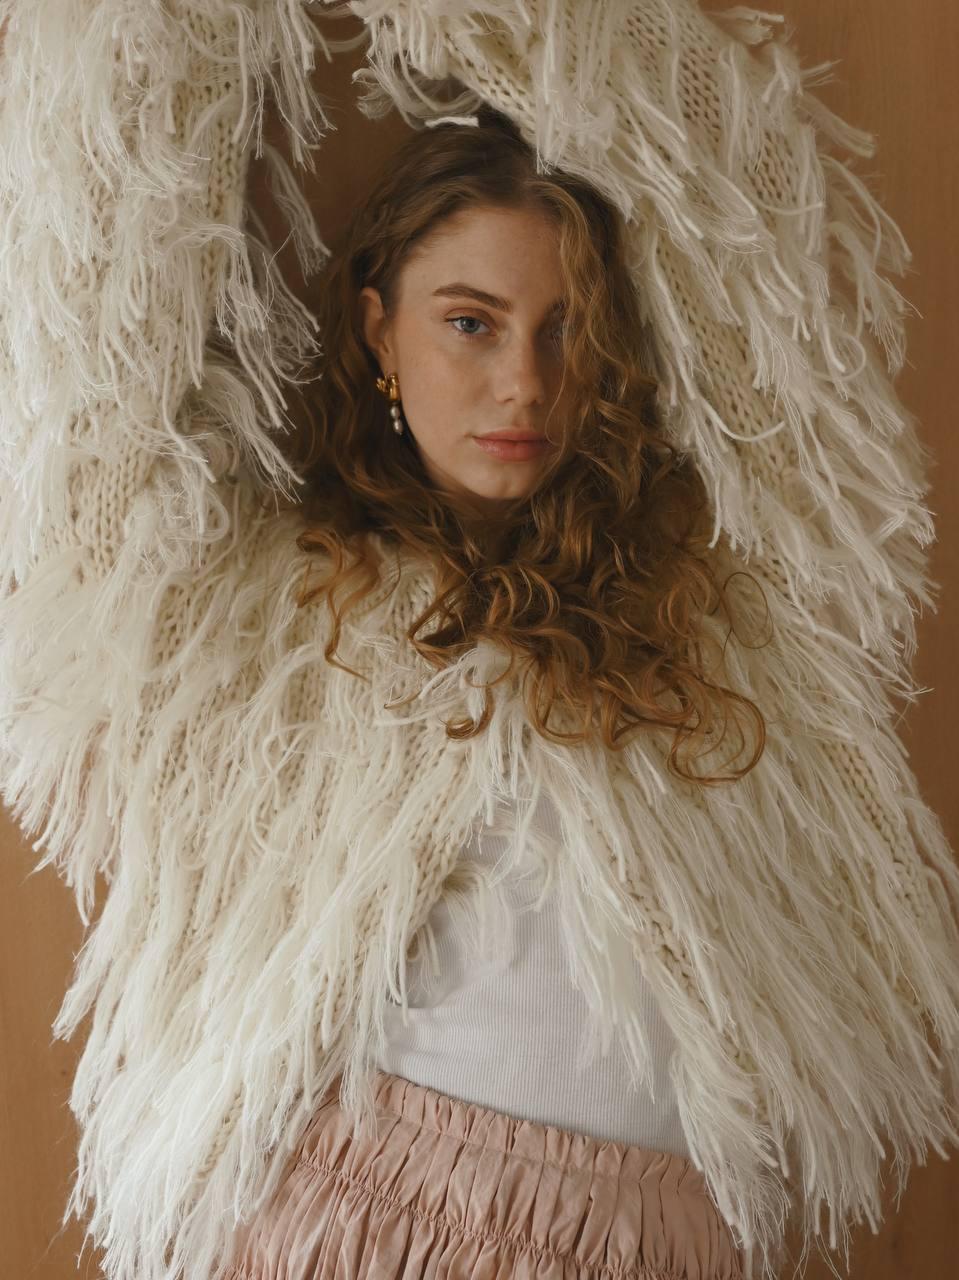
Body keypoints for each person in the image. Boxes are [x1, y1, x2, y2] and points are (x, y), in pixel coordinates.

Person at [1, 5, 957, 1280]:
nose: (524, 382)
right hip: (342, 1220)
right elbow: (95, 385)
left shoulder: (726, 613)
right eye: (469, 320)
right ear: (377, 332)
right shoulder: (259, 614)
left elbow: (751, 238)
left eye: (565, 328)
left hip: (663, 1234)